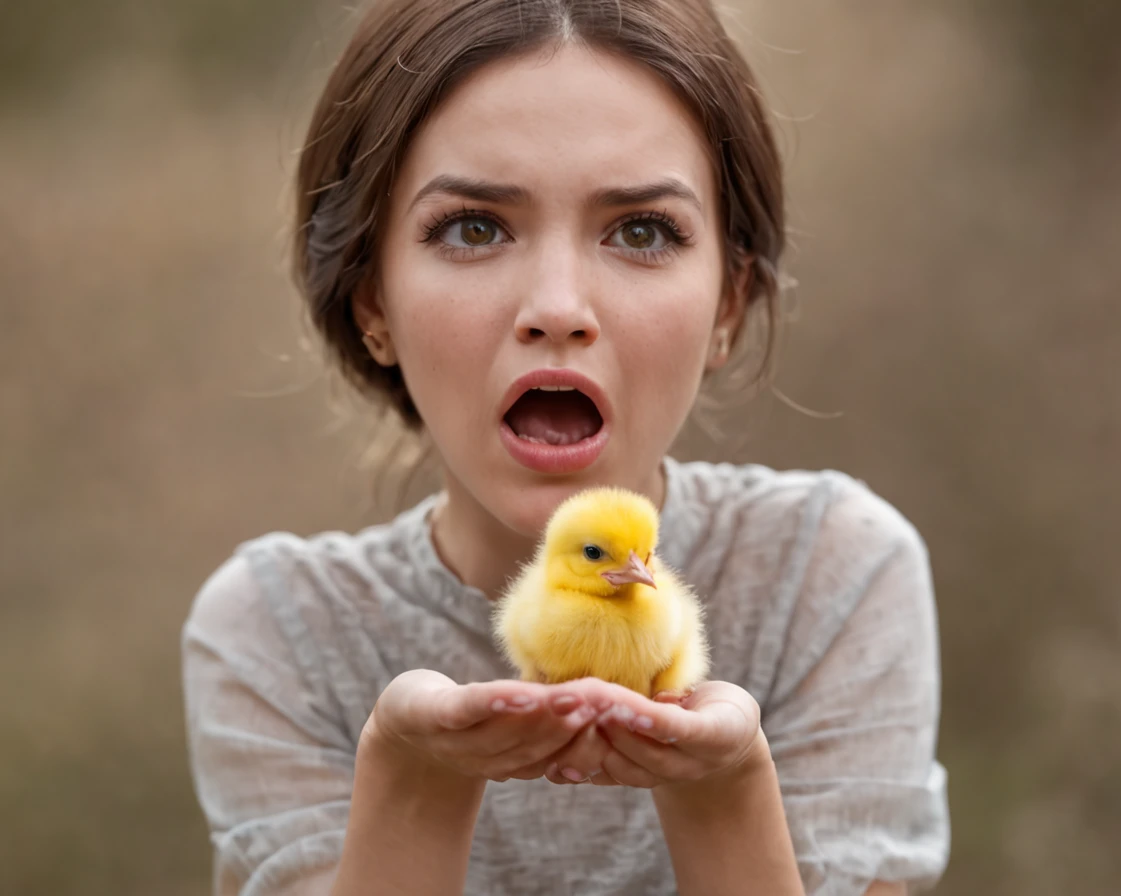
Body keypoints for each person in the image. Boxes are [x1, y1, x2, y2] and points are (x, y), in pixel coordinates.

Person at [180, 1, 950, 893]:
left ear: (729, 305)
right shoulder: (278, 631)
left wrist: (725, 787)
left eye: (641, 230)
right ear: (371, 304)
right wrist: (413, 783)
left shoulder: (831, 572)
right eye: (474, 226)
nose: (558, 306)